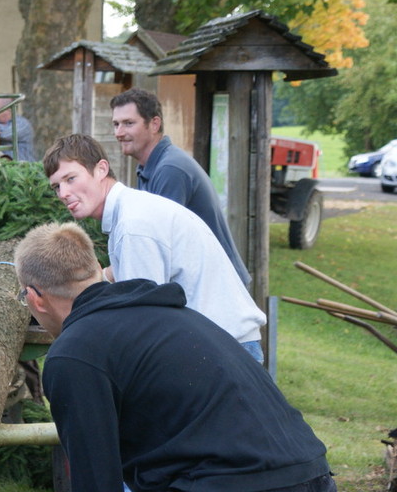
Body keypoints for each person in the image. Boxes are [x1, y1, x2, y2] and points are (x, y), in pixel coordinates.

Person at [14, 221, 336, 492]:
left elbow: (96, 480)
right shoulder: (176, 316)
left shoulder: (75, 353)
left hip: (232, 482)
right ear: (97, 270)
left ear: (34, 298)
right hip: (311, 471)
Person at [43, 133, 266, 360]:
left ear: (101, 169)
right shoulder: (131, 211)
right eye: (56, 187)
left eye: (71, 179)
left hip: (225, 348)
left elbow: (143, 319)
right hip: (217, 342)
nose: (63, 194)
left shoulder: (133, 225)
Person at [111, 88, 251, 285]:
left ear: (154, 124)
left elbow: (157, 244)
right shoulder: (150, 166)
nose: (119, 133)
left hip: (219, 285)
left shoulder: (170, 169)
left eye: (128, 123)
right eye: (116, 124)